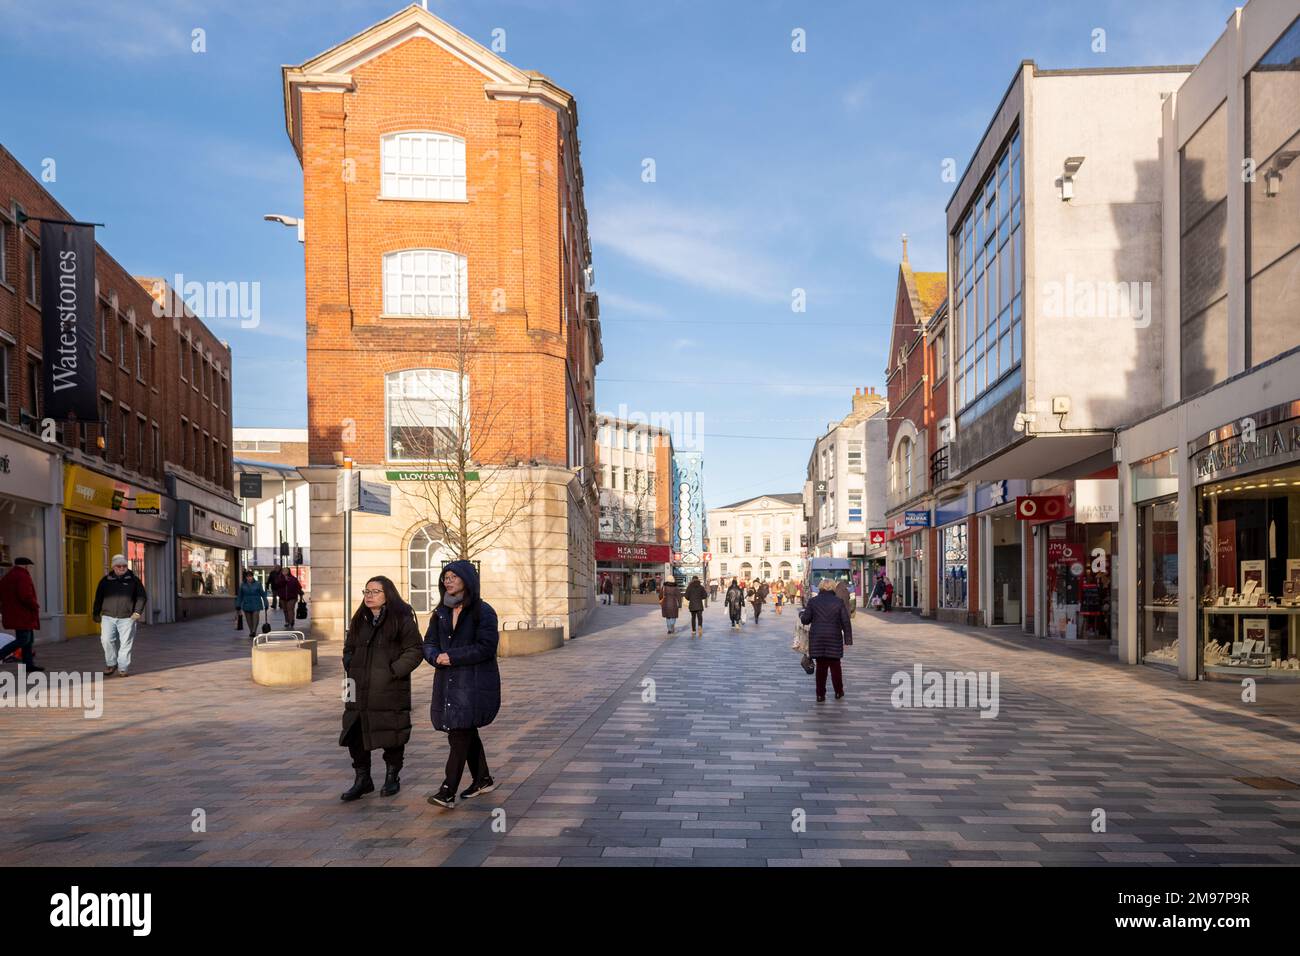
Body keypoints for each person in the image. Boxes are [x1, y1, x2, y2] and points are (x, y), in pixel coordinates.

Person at [423, 561, 501, 809]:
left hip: (474, 681)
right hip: (448, 681)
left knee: (459, 733)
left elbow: (486, 647)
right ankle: (483, 779)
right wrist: (434, 655)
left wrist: (453, 656)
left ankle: (448, 790)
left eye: (454, 576)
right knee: (465, 730)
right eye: (446, 576)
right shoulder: (440, 613)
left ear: (467, 580)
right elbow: (428, 643)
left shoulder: (483, 611)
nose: (448, 580)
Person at [340, 576, 424, 801]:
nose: (369, 595)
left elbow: (415, 650)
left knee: (392, 734)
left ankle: (392, 777)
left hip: (389, 688)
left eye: (375, 591)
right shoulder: (359, 619)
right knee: (354, 733)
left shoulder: (401, 619)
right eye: (366, 591)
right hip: (357, 686)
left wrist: (393, 671)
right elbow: (348, 647)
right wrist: (349, 662)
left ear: (388, 594)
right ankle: (362, 779)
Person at [92, 555, 147, 678]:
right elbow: (98, 598)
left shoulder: (134, 580)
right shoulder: (105, 581)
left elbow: (142, 597)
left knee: (126, 643)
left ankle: (123, 667)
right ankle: (111, 663)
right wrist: (96, 613)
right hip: (108, 616)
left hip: (128, 617)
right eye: (119, 566)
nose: (122, 568)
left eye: (124, 566)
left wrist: (137, 612)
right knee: (106, 640)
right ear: (113, 567)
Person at [800, 578, 853, 702]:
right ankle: (839, 692)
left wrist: (802, 615)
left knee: (821, 668)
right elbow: (845, 621)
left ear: (820, 587)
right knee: (835, 667)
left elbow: (805, 620)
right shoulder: (838, 602)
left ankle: (820, 694)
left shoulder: (813, 602)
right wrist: (848, 639)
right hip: (834, 637)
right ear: (833, 587)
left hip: (817, 638)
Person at [0, 557, 43, 672]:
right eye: (29, 566)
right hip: (23, 613)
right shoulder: (23, 576)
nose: (29, 568)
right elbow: (25, 595)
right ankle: (1, 654)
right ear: (25, 565)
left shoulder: (8, 576)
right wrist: (35, 605)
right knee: (23, 639)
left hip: (15, 613)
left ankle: (28, 665)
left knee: (28, 641)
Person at [235, 569, 268, 635]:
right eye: (247, 576)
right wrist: (238, 605)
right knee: (248, 619)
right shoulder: (243, 585)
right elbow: (240, 596)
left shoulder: (258, 584)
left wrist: (266, 604)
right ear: (246, 577)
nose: (249, 578)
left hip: (256, 603)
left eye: (250, 576)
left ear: (253, 576)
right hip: (246, 603)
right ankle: (251, 630)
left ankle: (254, 630)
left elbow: (263, 594)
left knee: (255, 616)